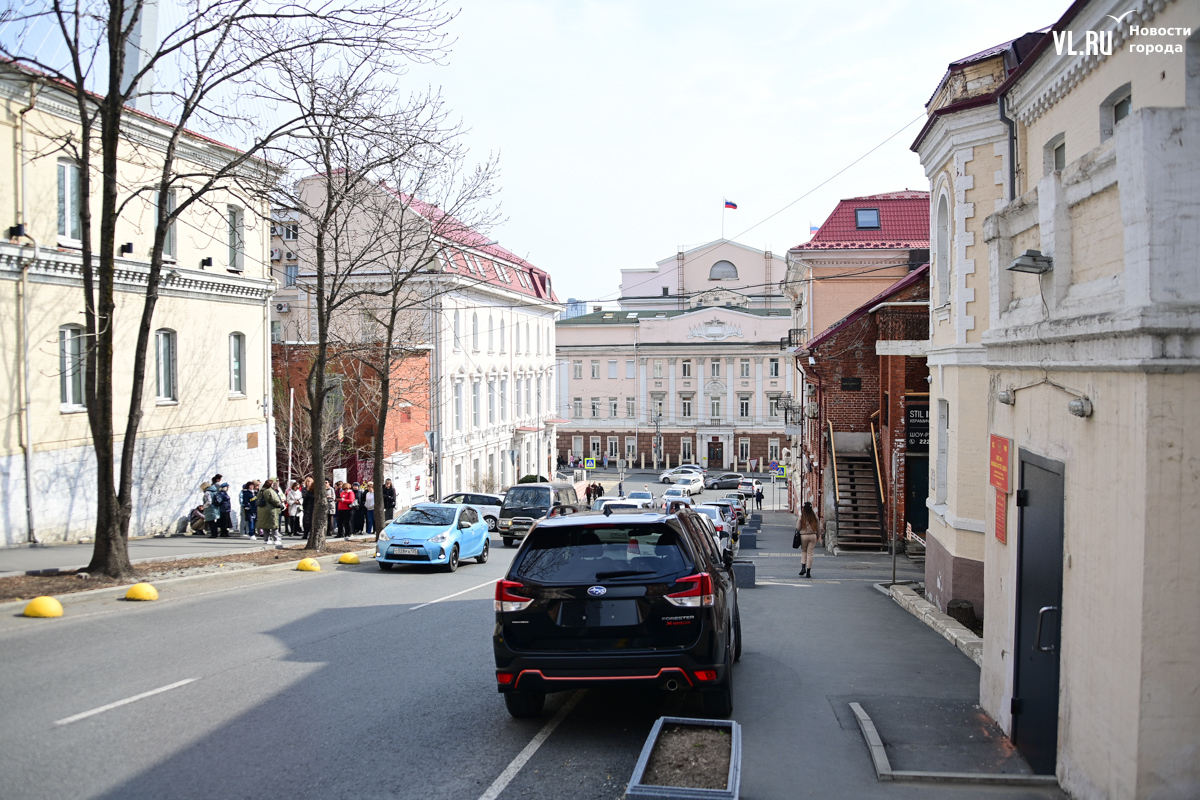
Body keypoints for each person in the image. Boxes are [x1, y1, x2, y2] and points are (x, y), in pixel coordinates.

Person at [256, 479, 285, 546]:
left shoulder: (261, 490)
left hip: (262, 510)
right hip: (270, 510)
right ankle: (276, 539)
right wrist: (280, 505)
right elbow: (275, 500)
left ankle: (266, 539)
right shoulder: (270, 491)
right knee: (274, 525)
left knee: (265, 525)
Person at [797, 501, 819, 578]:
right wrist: (818, 535)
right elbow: (818, 527)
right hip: (813, 535)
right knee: (810, 553)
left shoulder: (801, 516)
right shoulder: (815, 516)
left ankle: (803, 567)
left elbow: (798, 527)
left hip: (804, 536)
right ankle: (808, 571)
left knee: (804, 551)